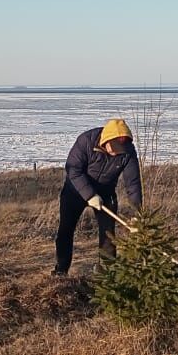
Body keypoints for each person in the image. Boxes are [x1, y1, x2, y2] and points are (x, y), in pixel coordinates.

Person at [54, 118, 143, 276]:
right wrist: (89, 195)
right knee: (65, 230)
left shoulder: (128, 151)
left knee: (108, 234)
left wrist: (137, 214)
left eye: (120, 149)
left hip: (106, 191)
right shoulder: (86, 141)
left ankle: (107, 275)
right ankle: (61, 271)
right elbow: (73, 169)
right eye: (114, 147)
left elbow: (133, 183)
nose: (116, 152)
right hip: (75, 190)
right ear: (106, 139)